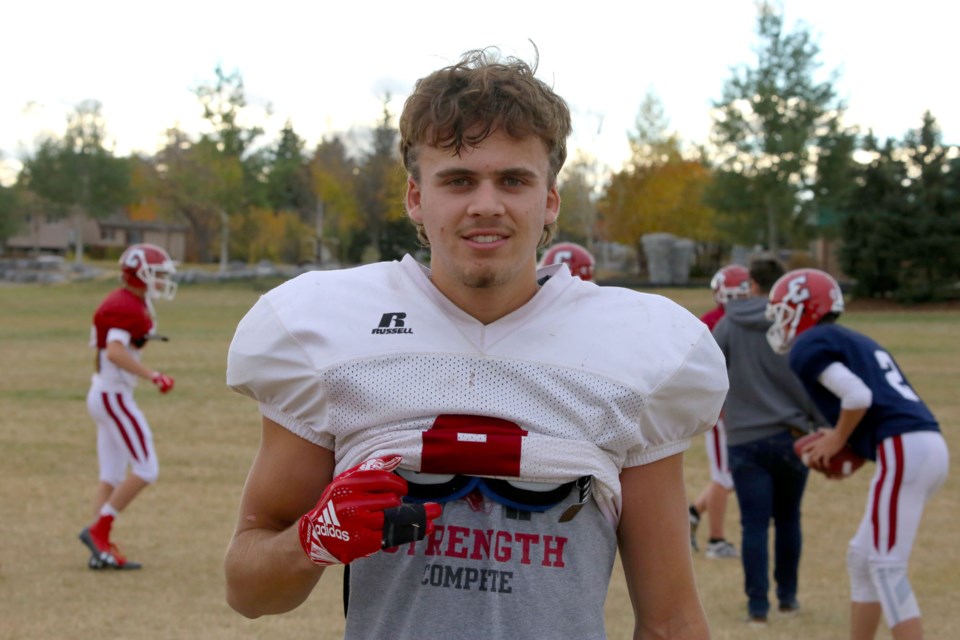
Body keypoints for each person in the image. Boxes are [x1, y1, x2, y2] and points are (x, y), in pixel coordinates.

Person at [224, 47, 728, 639]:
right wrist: (309, 541)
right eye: (458, 180)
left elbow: (670, 620)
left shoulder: (635, 352)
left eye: (513, 180)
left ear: (549, 201)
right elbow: (248, 590)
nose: (485, 204)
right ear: (416, 196)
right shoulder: (329, 334)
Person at [767, 268, 949, 640]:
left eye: (784, 312)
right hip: (917, 445)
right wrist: (851, 442)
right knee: (862, 558)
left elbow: (859, 397)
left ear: (804, 309)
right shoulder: (851, 339)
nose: (780, 323)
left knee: (885, 565)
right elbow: (877, 403)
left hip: (905, 446)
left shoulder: (809, 344)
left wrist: (836, 440)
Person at [711, 256, 823, 625]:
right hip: (792, 435)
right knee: (789, 519)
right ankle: (788, 598)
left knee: (754, 525)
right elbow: (812, 377)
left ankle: (758, 608)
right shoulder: (794, 325)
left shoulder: (730, 322)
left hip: (745, 436)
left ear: (753, 284)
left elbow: (710, 368)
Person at [78, 243, 178, 570]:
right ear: (140, 273)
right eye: (157, 274)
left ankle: (99, 548)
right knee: (147, 469)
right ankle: (99, 530)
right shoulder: (126, 306)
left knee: (110, 476)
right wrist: (153, 375)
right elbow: (115, 351)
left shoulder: (128, 301)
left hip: (103, 393)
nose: (161, 281)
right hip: (113, 395)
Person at [689, 264, 749, 557]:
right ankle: (716, 541)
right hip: (722, 409)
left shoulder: (727, 320)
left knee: (731, 476)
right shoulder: (714, 323)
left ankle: (693, 512)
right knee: (725, 476)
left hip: (742, 408)